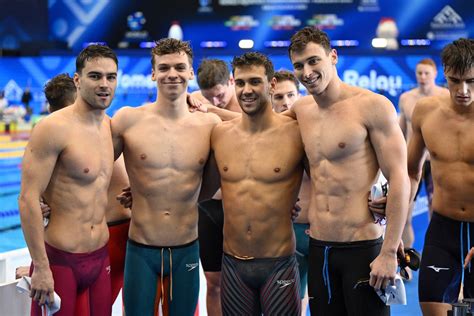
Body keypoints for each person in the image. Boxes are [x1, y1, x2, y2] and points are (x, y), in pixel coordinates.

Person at [287, 27, 409, 315]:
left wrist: (389, 251)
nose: (307, 72)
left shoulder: (372, 106)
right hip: (319, 248)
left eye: (314, 61)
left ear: (333, 57)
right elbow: (257, 129)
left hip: (363, 248)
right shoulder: (301, 110)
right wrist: (207, 109)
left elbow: (400, 177)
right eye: (298, 65)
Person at [111, 38, 220, 315]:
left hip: (187, 248)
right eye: (164, 67)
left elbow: (221, 177)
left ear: (191, 72)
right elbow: (90, 170)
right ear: (153, 73)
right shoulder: (128, 120)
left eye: (180, 67)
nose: (172, 74)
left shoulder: (210, 124)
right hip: (141, 248)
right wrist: (49, 198)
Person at [16, 73, 131, 312]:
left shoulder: (99, 127)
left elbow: (33, 199)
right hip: (111, 241)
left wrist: (39, 265)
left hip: (99, 245)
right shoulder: (107, 126)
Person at [209, 51, 304, 314]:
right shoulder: (220, 134)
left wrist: (374, 205)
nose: (246, 90)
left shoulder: (295, 133)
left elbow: (330, 176)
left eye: (254, 82)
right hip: (233, 264)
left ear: (271, 85)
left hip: (279, 263)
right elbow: (196, 186)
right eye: (240, 83)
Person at [407, 38, 474, 316]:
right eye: (455, 81)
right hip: (442, 229)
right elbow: (411, 172)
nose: (463, 90)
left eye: (471, 80)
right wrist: (396, 228)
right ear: (444, 72)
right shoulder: (425, 111)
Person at [191, 58, 241, 316]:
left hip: (243, 206)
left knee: (246, 282)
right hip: (209, 206)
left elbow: (251, 121)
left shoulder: (245, 100)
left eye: (220, 95)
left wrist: (210, 110)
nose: (216, 101)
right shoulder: (194, 101)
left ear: (231, 80)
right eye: (209, 97)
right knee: (214, 284)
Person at [398, 58, 449, 254]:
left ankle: (436, 255)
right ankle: (406, 260)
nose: (422, 77)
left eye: (426, 73)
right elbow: (401, 133)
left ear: (435, 74)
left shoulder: (446, 96)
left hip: (436, 162)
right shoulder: (406, 98)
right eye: (419, 73)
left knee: (436, 213)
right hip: (411, 162)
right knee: (404, 213)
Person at [271, 70, 310, 313]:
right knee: (286, 303)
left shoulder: (314, 131)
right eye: (278, 97)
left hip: (318, 230)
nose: (286, 102)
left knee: (324, 301)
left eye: (291, 95)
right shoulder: (264, 136)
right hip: (283, 232)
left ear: (300, 95)